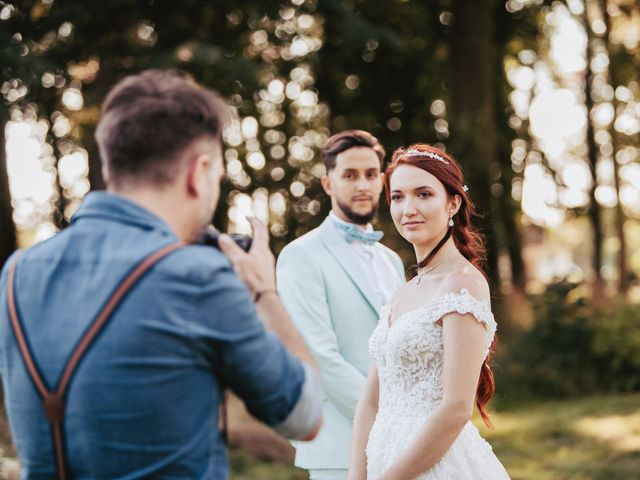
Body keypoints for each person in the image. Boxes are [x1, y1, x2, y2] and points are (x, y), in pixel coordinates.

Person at [0, 69, 322, 479]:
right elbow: (305, 415)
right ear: (198, 172)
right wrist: (263, 290)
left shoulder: (17, 272)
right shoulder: (195, 277)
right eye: (218, 176)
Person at [349, 144, 510, 480]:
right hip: (382, 458)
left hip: (435, 466)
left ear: (452, 203)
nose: (409, 208)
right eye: (397, 197)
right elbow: (370, 402)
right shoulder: (402, 293)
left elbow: (455, 409)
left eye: (423, 194)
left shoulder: (463, 284)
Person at [276, 130, 405, 480]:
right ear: (328, 183)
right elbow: (320, 357)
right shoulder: (301, 256)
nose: (362, 184)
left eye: (369, 175)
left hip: (405, 444)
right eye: (349, 175)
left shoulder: (392, 260)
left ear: (381, 180)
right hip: (341, 446)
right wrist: (389, 419)